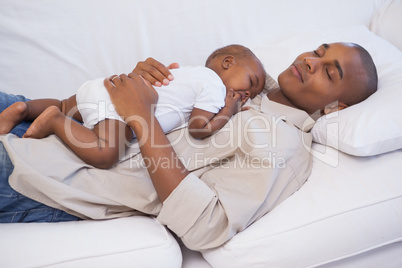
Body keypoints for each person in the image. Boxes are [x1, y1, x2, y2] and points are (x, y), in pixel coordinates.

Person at [0, 42, 378, 250]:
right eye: (319, 51)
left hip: (39, 173)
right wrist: (149, 79)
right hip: (34, 112)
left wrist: (141, 116)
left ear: (338, 107)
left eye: (329, 71)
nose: (310, 61)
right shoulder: (247, 88)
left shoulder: (284, 146)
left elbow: (206, 226)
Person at [0, 44, 266, 169]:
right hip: (120, 111)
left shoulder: (188, 72)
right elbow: (199, 128)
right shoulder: (215, 88)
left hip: (107, 86)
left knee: (66, 103)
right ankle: (55, 120)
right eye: (250, 82)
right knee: (105, 154)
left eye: (252, 94)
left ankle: (24, 109)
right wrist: (228, 111)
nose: (247, 94)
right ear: (228, 62)